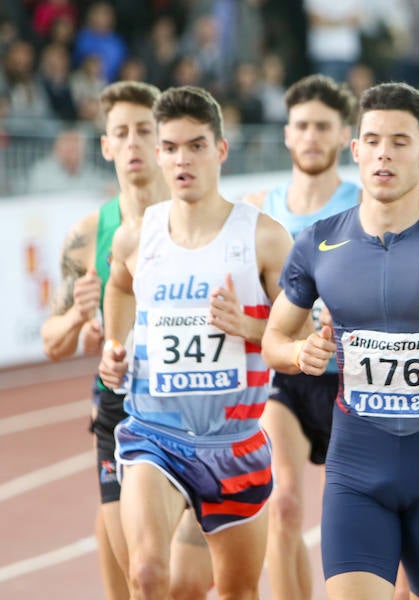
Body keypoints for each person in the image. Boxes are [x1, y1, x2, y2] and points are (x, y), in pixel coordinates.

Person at [262, 82, 419, 600]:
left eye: (399, 141)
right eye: (372, 140)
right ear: (356, 149)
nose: (383, 153)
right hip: (356, 468)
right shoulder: (318, 241)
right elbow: (273, 338)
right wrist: (299, 352)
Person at [97, 85, 293, 599]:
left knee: (236, 590)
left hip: (234, 442)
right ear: (159, 154)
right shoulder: (136, 236)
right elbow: (120, 287)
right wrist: (115, 345)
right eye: (171, 147)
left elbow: (299, 338)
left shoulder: (264, 238)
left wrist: (249, 327)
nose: (182, 159)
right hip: (154, 435)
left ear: (221, 150)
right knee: (147, 575)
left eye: (196, 146)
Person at [39, 80, 212, 600]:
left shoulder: (200, 218)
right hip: (124, 406)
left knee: (190, 583)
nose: (133, 143)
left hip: (202, 402)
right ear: (106, 145)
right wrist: (78, 318)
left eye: (144, 131)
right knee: (145, 578)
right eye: (121, 132)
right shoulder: (89, 235)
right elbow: (52, 342)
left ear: (163, 142)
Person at [244, 73, 361, 600]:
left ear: (343, 135)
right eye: (302, 126)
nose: (311, 136)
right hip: (287, 376)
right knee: (284, 502)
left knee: (351, 515)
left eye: (323, 126)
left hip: (352, 380)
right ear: (287, 134)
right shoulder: (258, 211)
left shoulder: (364, 203)